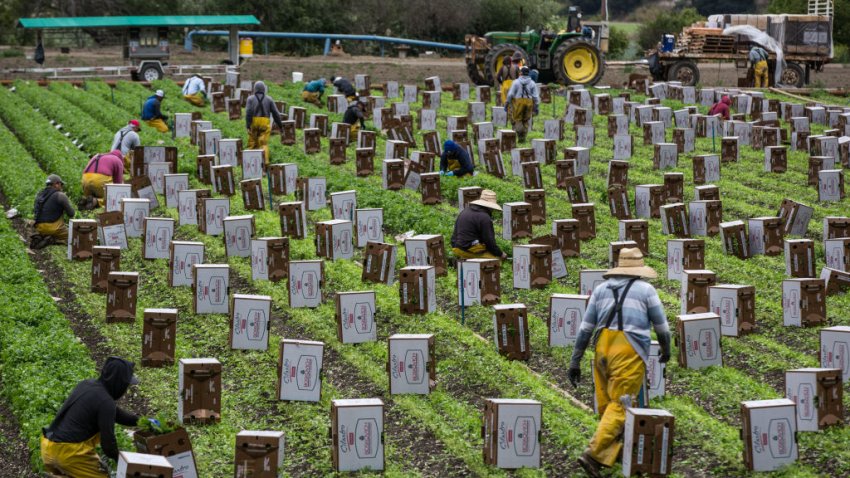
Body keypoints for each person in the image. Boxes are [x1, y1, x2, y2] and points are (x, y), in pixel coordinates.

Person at [567, 248, 671, 478]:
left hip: (602, 349)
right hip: (627, 352)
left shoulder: (601, 290)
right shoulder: (646, 290)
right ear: (638, 270)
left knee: (607, 407)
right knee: (621, 405)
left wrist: (575, 361)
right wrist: (666, 350)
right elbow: (662, 327)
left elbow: (585, 328)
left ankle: (607, 459)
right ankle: (593, 454)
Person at [41, 357, 144, 478]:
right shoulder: (106, 402)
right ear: (118, 382)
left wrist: (144, 421)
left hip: (48, 447)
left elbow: (119, 415)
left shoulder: (86, 385)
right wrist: (122, 462)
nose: (126, 389)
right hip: (70, 454)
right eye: (126, 385)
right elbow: (108, 445)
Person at [450, 189, 507, 260]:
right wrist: (500, 254)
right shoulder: (485, 218)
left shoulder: (466, 211)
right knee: (494, 261)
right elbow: (489, 241)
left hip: (456, 246)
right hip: (468, 248)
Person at [30, 174, 75, 249]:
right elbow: (71, 214)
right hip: (54, 228)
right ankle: (53, 240)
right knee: (74, 239)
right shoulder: (60, 195)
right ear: (56, 184)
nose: (61, 187)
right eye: (61, 184)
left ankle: (42, 237)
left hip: (39, 227)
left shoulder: (39, 195)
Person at [245, 81, 284, 165]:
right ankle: (265, 164)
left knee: (252, 143)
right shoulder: (269, 99)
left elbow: (248, 112)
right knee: (263, 144)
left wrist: (248, 125)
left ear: (254, 89)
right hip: (264, 123)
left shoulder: (250, 99)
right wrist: (280, 126)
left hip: (254, 123)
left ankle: (249, 164)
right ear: (264, 89)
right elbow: (276, 113)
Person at [505, 66, 539, 143]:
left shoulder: (516, 82)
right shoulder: (532, 83)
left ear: (521, 73)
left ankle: (520, 136)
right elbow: (535, 96)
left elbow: (510, 94)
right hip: (529, 102)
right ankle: (524, 136)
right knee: (526, 120)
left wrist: (507, 103)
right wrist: (536, 106)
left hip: (518, 102)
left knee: (518, 119)